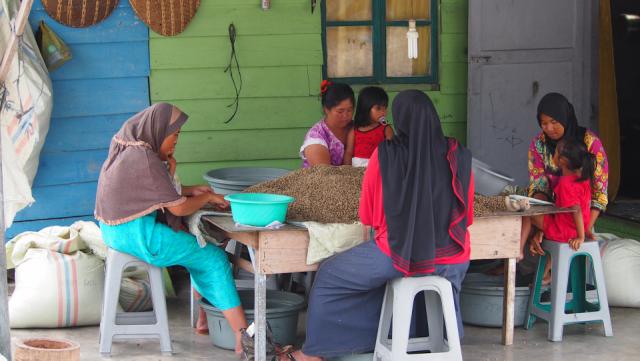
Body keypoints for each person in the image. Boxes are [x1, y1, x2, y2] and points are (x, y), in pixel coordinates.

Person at [280, 90, 474, 360]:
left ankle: (315, 353)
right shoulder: (460, 154)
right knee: (407, 279)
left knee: (329, 275)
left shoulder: (387, 155)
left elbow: (369, 216)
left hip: (399, 253)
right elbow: (468, 216)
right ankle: (429, 337)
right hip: (454, 257)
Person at [94, 103, 248, 354]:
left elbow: (151, 190)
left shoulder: (127, 145)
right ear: (157, 129)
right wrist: (208, 199)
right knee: (212, 257)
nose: (176, 140)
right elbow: (178, 209)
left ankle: (204, 320)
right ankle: (243, 337)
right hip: (142, 237)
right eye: (173, 134)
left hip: (116, 233)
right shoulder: (143, 158)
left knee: (196, 252)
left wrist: (190, 190)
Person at [528, 93, 609, 233]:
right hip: (553, 216)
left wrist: (585, 231)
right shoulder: (539, 144)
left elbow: (600, 194)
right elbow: (539, 187)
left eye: (554, 122)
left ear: (565, 117)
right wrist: (540, 226)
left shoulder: (589, 142)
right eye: (544, 123)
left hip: (582, 221)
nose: (549, 128)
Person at [522, 138, 596, 282]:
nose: (552, 155)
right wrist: (585, 231)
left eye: (555, 153)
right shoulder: (583, 178)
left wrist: (581, 237)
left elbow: (576, 210)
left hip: (564, 230)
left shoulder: (565, 183)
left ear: (562, 161)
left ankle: (519, 250)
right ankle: (544, 275)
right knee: (552, 246)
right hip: (573, 227)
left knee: (526, 212)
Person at [300, 80, 354, 167]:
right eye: (340, 111)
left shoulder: (357, 127)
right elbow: (325, 176)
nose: (345, 115)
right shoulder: (315, 138)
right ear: (326, 109)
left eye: (349, 110)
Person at [343, 86, 394, 167]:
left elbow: (391, 153)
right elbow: (348, 152)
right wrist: (347, 171)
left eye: (385, 108)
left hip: (377, 169)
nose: (383, 112)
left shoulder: (386, 129)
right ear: (366, 108)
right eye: (378, 108)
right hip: (356, 172)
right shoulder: (354, 130)